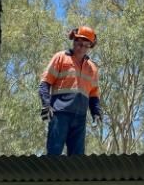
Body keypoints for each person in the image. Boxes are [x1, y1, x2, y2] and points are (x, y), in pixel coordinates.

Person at [38, 26, 102, 156]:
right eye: (79, 43)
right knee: (53, 154)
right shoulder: (61, 58)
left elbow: (93, 95)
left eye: (86, 45)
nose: (82, 48)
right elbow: (44, 83)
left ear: (90, 46)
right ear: (74, 41)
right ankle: (50, 176)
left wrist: (96, 112)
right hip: (59, 114)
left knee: (77, 160)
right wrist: (46, 104)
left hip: (80, 118)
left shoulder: (92, 68)